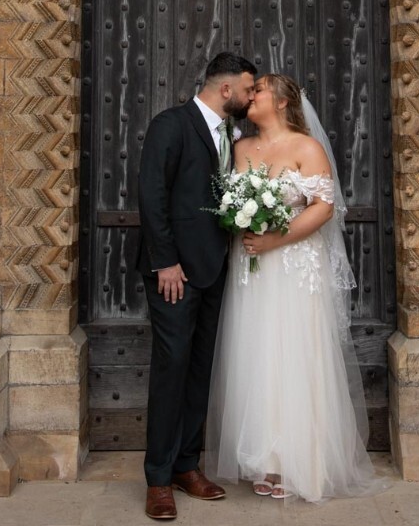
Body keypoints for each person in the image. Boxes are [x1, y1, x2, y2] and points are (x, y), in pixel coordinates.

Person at [205, 73, 383, 503]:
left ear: (282, 102)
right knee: (257, 356)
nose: (252, 96)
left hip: (292, 267)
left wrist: (274, 240)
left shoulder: (307, 148)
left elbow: (323, 208)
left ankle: (299, 458)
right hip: (252, 272)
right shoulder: (241, 148)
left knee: (295, 355)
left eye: (260, 90)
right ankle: (265, 458)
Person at [137, 52, 257, 520]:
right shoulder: (172, 124)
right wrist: (164, 261)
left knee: (200, 368)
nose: (251, 97)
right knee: (172, 368)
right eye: (248, 89)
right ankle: (158, 479)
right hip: (175, 274)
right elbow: (151, 194)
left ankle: (188, 465)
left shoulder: (231, 134)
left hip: (213, 269)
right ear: (226, 89)